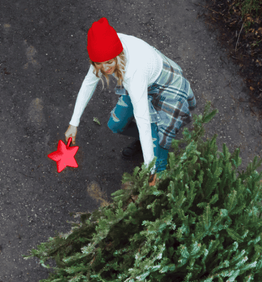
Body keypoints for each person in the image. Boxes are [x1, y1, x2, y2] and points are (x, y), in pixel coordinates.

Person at [63, 18, 196, 179]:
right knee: (116, 124)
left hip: (166, 86)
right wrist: (73, 123)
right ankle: (144, 142)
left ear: (118, 56)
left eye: (109, 62)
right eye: (100, 64)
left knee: (159, 140)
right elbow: (88, 83)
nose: (106, 69)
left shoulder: (133, 73)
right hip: (142, 82)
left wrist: (150, 171)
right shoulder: (102, 47)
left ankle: (158, 172)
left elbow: (142, 119)